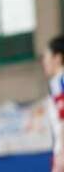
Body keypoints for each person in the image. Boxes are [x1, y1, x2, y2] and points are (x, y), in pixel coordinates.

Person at [43, 35, 64, 172]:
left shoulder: (60, 81)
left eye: (46, 56)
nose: (44, 62)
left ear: (57, 58)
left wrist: (62, 152)